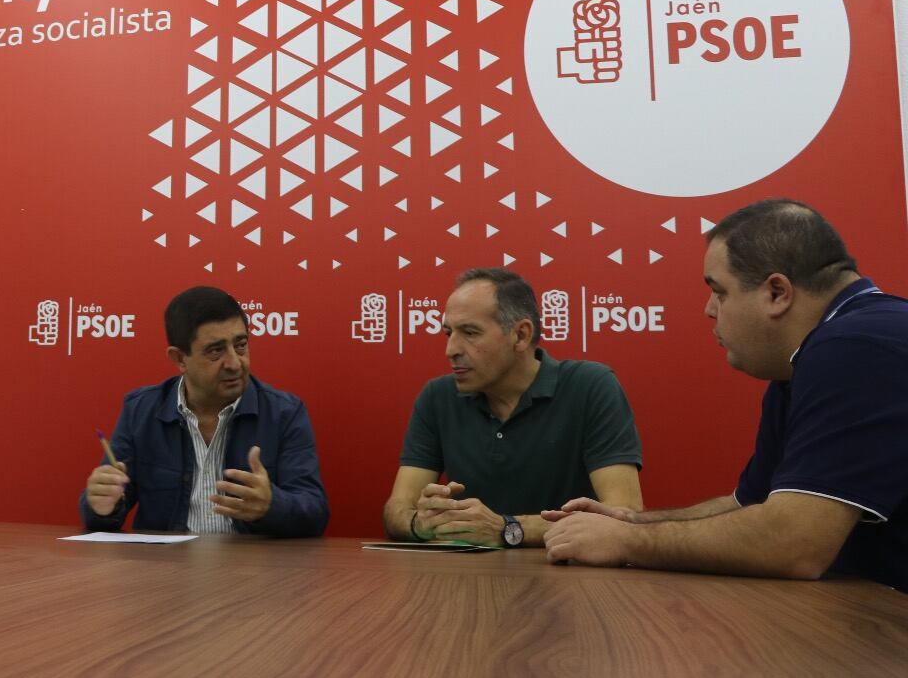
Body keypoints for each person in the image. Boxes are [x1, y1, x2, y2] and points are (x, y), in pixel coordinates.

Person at [545, 200, 908, 589]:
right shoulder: (801, 363)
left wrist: (626, 542)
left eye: (719, 292)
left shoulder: (857, 346)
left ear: (777, 293)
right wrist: (630, 522)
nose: (709, 310)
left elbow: (795, 544)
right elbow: (750, 506)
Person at [383, 268, 643, 547]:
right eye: (448, 333)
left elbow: (624, 514)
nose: (451, 349)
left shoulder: (590, 386)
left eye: (470, 332)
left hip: (566, 569)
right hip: (466, 573)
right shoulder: (437, 397)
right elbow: (397, 508)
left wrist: (508, 528)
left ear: (520, 335)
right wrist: (421, 523)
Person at [79, 286, 329, 536]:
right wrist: (101, 506)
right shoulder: (140, 411)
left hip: (253, 560)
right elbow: (104, 512)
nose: (234, 363)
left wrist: (271, 506)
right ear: (179, 359)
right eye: (216, 351)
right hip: (166, 560)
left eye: (240, 345)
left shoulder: (284, 413)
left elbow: (315, 511)